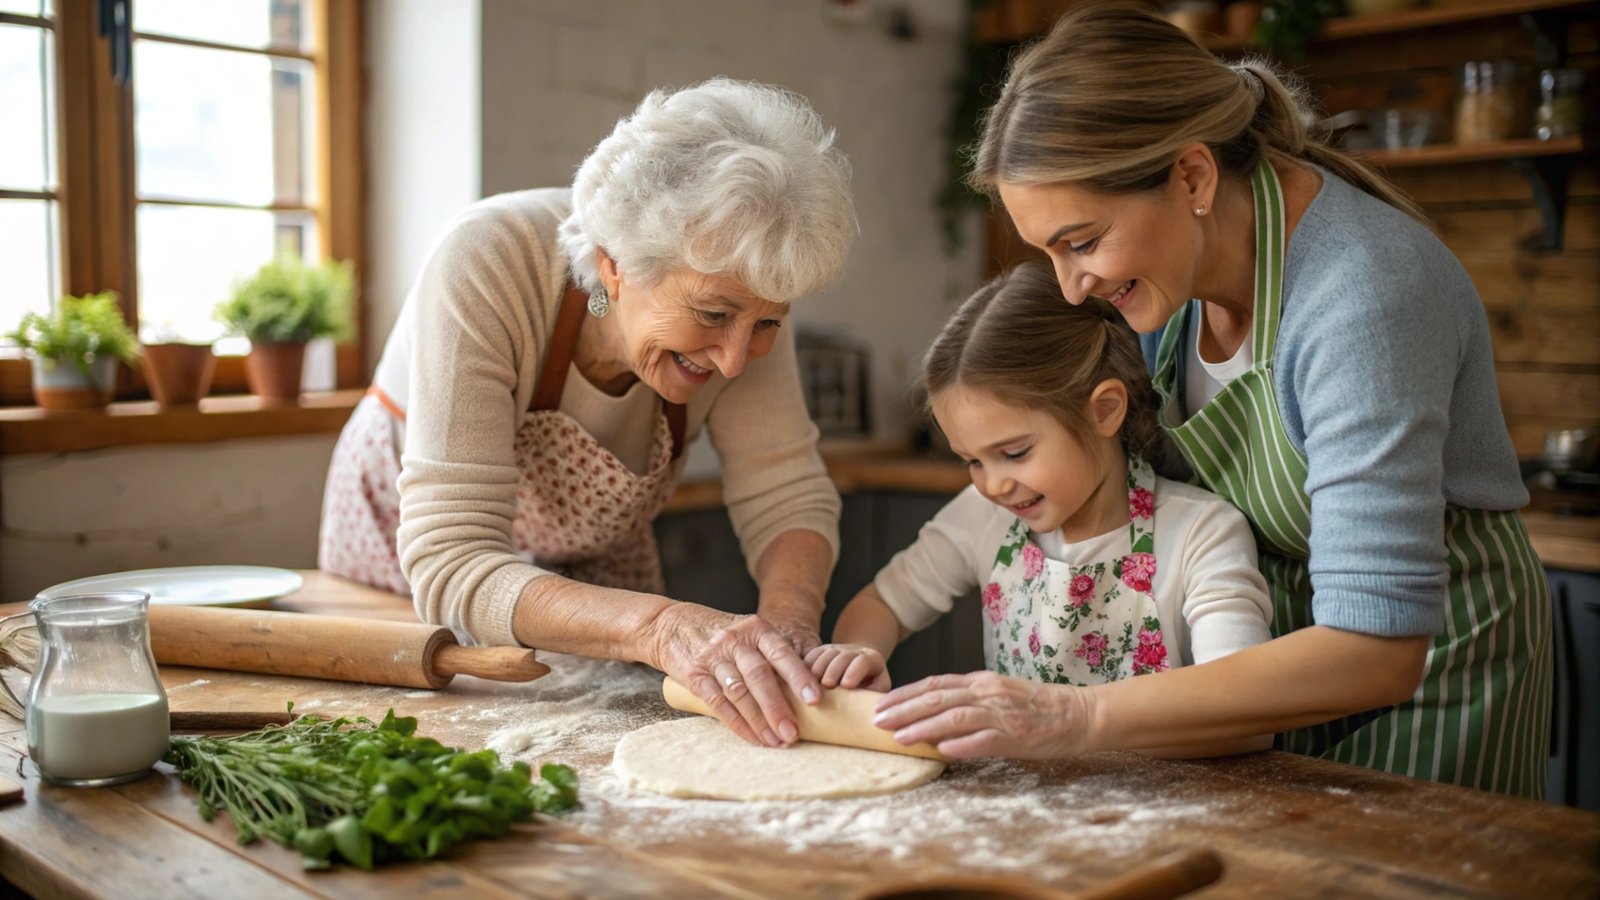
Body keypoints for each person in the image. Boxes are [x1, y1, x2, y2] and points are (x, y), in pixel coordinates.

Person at [870, 4, 1551, 798]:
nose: (1071, 286)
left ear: (1192, 176)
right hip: (1266, 672)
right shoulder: (1168, 290)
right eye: (1049, 252)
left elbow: (1377, 646)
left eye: (1082, 241)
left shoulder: (1364, 301)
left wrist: (1076, 717)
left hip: (1433, 679)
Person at [318, 79, 857, 749]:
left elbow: (788, 494)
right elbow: (454, 560)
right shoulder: (488, 259)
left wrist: (789, 625)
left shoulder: (744, 291)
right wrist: (661, 628)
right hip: (408, 558)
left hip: (596, 571)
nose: (736, 361)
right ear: (614, 267)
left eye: (769, 323)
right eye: (712, 316)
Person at [807, 262, 1274, 758]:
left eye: (1015, 453)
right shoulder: (983, 517)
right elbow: (881, 605)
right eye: (972, 461)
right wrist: (859, 654)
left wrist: (1083, 719)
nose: (993, 484)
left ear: (1105, 410)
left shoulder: (1202, 533)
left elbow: (1249, 717)